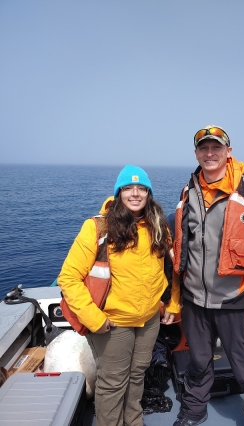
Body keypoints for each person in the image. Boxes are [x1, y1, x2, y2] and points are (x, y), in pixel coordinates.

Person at [172, 125, 244, 426]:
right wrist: (175, 300)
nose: (210, 153)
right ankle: (192, 414)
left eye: (216, 148)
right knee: (197, 364)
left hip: (239, 303)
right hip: (195, 302)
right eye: (203, 148)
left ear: (228, 152)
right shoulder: (188, 190)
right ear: (196, 153)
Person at [58, 165, 180, 426]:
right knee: (113, 383)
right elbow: (68, 278)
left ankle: (133, 422)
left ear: (148, 193)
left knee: (137, 376)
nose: (135, 194)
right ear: (118, 192)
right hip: (112, 323)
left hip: (148, 320)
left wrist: (173, 303)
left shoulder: (158, 226)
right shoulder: (98, 228)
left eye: (141, 188)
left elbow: (172, 269)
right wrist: (95, 319)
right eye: (128, 188)